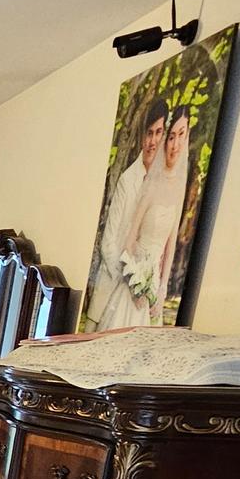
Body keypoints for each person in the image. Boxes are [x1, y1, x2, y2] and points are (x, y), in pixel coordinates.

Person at [87, 97, 166, 330]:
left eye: (158, 133)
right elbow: (109, 242)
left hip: (143, 293)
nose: (152, 141)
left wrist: (146, 284)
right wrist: (130, 279)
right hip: (114, 283)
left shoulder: (164, 184)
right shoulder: (128, 180)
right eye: (149, 133)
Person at [120, 105, 191, 321]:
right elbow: (129, 242)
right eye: (171, 137)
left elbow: (170, 249)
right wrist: (135, 282)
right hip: (133, 283)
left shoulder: (180, 190)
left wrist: (161, 290)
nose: (175, 145)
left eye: (181, 135)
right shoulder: (151, 186)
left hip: (153, 285)